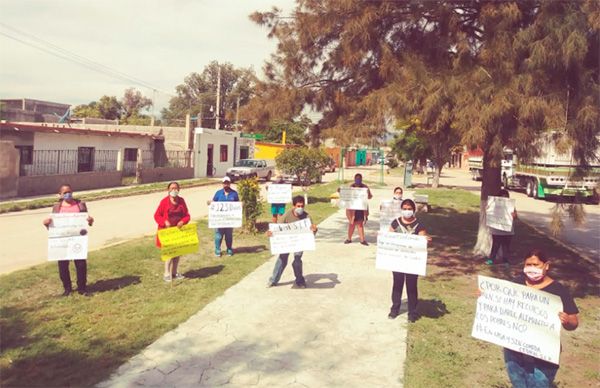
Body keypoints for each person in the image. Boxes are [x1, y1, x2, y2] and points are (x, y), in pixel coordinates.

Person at [502, 249, 579, 387]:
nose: (531, 268)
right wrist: (486, 295)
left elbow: (574, 323)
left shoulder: (558, 290)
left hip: (544, 351)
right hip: (515, 347)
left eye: (536, 265)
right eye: (528, 264)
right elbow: (501, 304)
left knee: (539, 383)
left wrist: (567, 320)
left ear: (546, 265)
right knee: (518, 382)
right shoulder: (517, 283)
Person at [43, 184, 94, 296]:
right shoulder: (57, 207)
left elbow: (87, 222)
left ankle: (82, 288)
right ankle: (67, 289)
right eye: (65, 192)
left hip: (77, 240)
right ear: (60, 194)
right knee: (63, 265)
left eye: (69, 192)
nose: (68, 194)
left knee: (80, 264)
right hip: (62, 240)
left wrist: (90, 221)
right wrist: (46, 223)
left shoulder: (80, 204)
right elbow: (53, 224)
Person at [387, 198, 431, 322]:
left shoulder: (419, 224)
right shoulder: (395, 223)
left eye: (409, 209)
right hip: (398, 261)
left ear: (413, 210)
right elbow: (389, 236)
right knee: (397, 284)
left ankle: (412, 312)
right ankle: (394, 309)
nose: (407, 211)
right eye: (405, 209)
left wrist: (425, 240)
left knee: (411, 286)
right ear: (401, 209)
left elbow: (422, 239)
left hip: (412, 262)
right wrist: (383, 238)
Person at [266, 195, 318, 288]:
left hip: (299, 242)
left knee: (297, 260)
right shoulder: (286, 215)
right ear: (293, 206)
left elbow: (310, 234)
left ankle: (300, 281)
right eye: (298, 206)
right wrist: (271, 233)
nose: (300, 208)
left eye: (302, 206)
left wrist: (314, 230)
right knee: (282, 259)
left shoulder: (307, 217)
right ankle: (273, 280)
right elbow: (277, 229)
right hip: (287, 242)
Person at [154, 181, 190, 282]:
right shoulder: (164, 202)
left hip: (178, 232)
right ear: (168, 190)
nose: (174, 190)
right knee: (169, 253)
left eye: (176, 188)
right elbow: (157, 215)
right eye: (172, 188)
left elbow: (187, 215)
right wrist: (164, 222)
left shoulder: (182, 201)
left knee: (177, 253)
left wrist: (183, 221)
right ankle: (166, 273)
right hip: (167, 232)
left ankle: (174, 272)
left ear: (179, 190)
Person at [486, 189, 517, 265]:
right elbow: (489, 213)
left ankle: (505, 260)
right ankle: (491, 259)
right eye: (502, 197)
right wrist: (488, 208)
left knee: (506, 247)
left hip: (508, 230)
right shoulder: (494, 204)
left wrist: (514, 215)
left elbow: (516, 216)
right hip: (497, 230)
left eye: (506, 197)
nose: (504, 199)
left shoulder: (511, 205)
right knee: (495, 245)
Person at [211, 176, 239, 257]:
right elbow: (213, 202)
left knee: (229, 235)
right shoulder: (218, 193)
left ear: (230, 183)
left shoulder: (234, 193)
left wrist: (241, 204)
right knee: (218, 235)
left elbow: (237, 203)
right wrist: (210, 203)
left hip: (230, 219)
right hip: (219, 219)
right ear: (222, 184)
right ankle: (217, 249)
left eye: (227, 183)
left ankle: (229, 249)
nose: (226, 184)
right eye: (224, 183)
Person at [343, 173, 373, 245]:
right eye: (357, 178)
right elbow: (347, 197)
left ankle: (362, 240)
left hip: (361, 209)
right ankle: (349, 239)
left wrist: (367, 193)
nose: (358, 180)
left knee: (360, 224)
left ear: (361, 179)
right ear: (354, 179)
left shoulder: (365, 187)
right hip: (352, 209)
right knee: (351, 224)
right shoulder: (351, 187)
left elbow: (370, 197)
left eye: (359, 179)